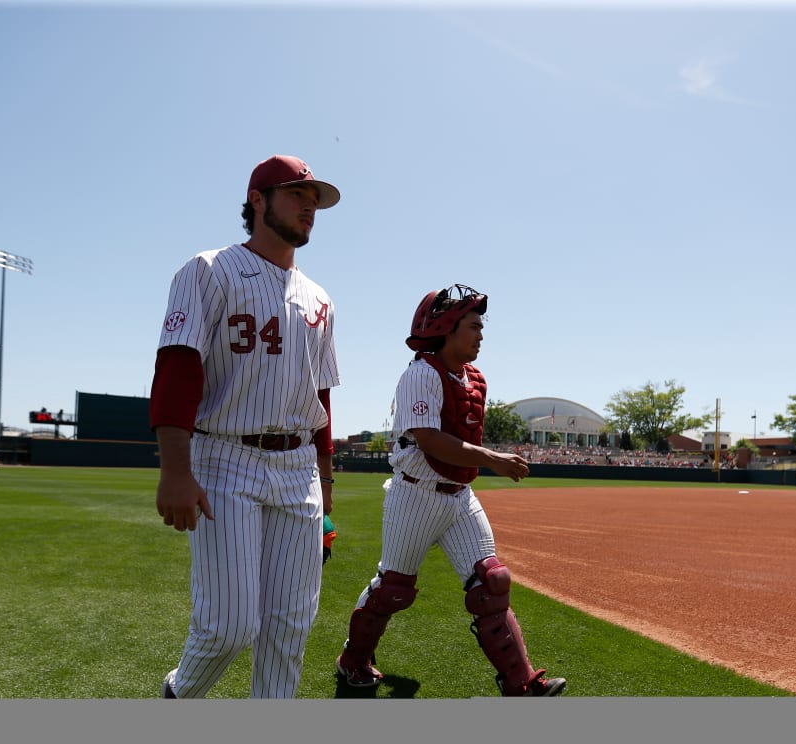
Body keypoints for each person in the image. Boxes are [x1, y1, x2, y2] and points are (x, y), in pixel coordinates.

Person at [151, 154, 341, 698]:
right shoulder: (210, 270)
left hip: (299, 469)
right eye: (296, 196)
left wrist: (326, 492)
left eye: (314, 202)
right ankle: (179, 694)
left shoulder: (321, 299)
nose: (309, 207)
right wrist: (175, 470)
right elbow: (178, 366)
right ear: (257, 200)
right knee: (229, 627)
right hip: (226, 459)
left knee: (290, 628)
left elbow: (321, 396)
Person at [334, 284, 567, 697]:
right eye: (474, 326)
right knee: (394, 590)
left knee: (491, 582)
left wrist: (486, 461)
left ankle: (522, 685)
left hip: (459, 496)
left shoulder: (473, 379)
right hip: (416, 493)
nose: (481, 335)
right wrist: (494, 459)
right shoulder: (421, 373)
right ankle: (353, 661)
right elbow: (429, 439)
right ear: (446, 327)